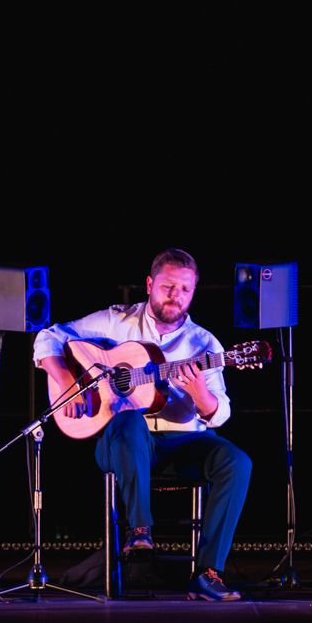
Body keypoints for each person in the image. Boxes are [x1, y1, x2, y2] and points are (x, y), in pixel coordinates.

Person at [33, 248, 251, 601]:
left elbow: (220, 412)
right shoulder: (116, 321)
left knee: (237, 462)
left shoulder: (204, 343)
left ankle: (209, 573)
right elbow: (49, 336)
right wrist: (68, 382)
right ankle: (140, 531)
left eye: (184, 289)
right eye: (167, 286)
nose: (175, 296)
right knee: (131, 419)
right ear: (150, 284)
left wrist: (199, 395)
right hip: (122, 443)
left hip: (181, 446)